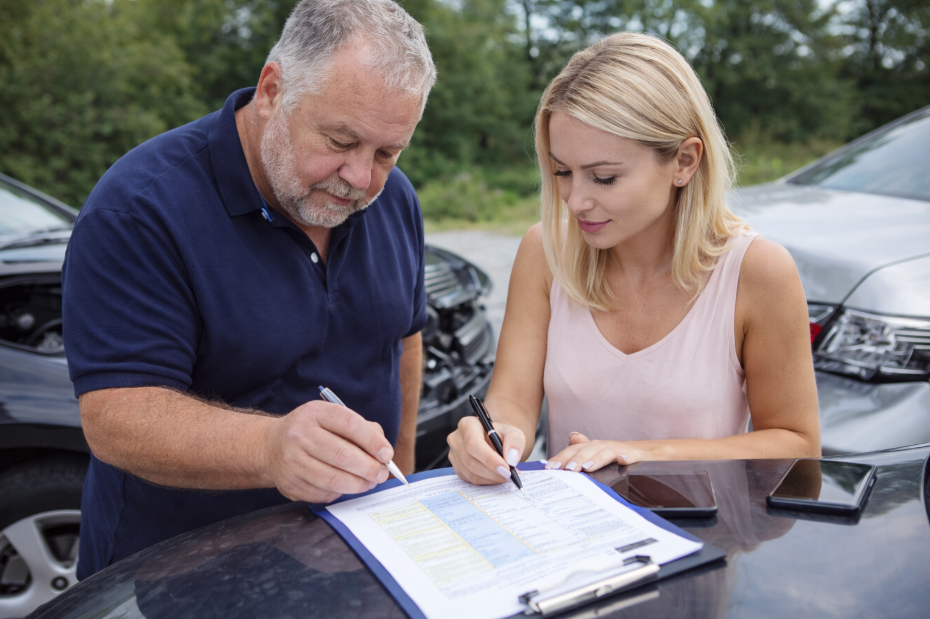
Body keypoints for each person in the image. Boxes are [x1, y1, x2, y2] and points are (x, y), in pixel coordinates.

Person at [62, 0, 436, 579]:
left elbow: (403, 341)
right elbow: (116, 415)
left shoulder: (395, 198)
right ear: (270, 91)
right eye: (340, 140)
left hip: (353, 561)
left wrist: (401, 490)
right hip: (179, 575)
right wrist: (271, 448)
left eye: (387, 153)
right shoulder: (140, 208)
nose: (361, 179)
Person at [447, 32, 820, 485]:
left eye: (603, 178)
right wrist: (493, 437)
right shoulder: (544, 252)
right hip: (572, 544)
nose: (575, 200)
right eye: (562, 172)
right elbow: (512, 402)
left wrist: (640, 454)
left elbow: (797, 444)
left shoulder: (757, 272)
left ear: (684, 161)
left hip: (702, 543)